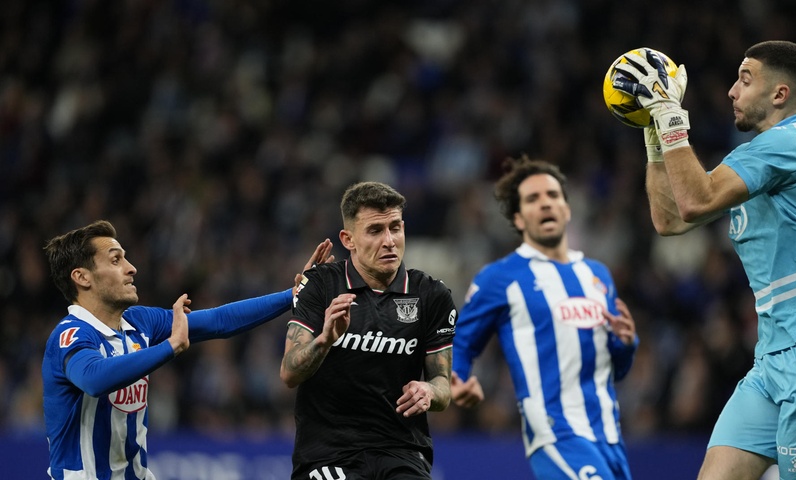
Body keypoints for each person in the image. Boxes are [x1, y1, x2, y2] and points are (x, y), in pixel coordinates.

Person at [614, 41, 796, 479]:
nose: (730, 91)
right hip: (771, 358)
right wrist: (655, 139)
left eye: (745, 79)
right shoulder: (761, 155)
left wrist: (671, 115)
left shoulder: (793, 143)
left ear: (779, 95)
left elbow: (693, 201)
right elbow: (670, 220)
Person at [41, 219, 334, 480]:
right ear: (82, 277)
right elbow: (93, 379)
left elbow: (218, 321)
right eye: (116, 260)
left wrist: (293, 295)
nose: (132, 268)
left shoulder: (139, 321)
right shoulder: (71, 335)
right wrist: (169, 347)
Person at [450, 155, 639, 480]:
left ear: (567, 208)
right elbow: (461, 343)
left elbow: (616, 369)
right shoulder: (500, 277)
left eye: (553, 196)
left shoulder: (596, 275)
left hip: (608, 435)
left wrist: (626, 343)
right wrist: (456, 380)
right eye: (533, 199)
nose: (545, 204)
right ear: (519, 218)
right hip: (556, 433)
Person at [280, 181, 458, 480]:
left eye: (396, 227)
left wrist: (429, 390)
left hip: (402, 452)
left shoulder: (430, 295)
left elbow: (442, 383)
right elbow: (289, 373)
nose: (389, 240)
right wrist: (325, 340)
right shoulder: (321, 285)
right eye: (375, 231)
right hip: (328, 454)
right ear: (348, 239)